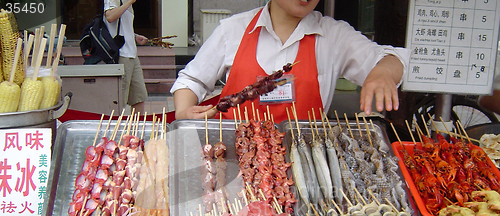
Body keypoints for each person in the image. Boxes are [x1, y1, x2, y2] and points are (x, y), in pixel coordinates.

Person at [170, 0, 410, 122]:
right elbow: (191, 80)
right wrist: (183, 110)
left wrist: (384, 72)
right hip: (235, 158)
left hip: (304, 160)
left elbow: (393, 58)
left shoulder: (334, 37)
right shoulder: (233, 29)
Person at [104, 0, 148, 113]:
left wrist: (135, 36)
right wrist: (128, 3)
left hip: (132, 54)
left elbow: (121, 27)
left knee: (139, 97)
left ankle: (137, 127)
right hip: (121, 55)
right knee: (119, 99)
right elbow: (109, 17)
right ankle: (117, 128)